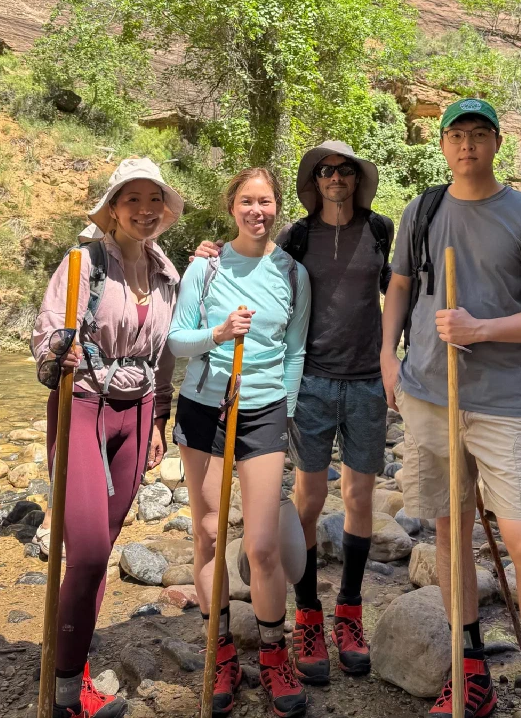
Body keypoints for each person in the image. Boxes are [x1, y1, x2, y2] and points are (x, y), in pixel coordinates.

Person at [381, 98, 521, 718]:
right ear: (442, 144)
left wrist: (482, 329)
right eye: (455, 134)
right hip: (427, 395)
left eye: (478, 134)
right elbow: (400, 287)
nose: (466, 144)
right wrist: (387, 356)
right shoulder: (422, 210)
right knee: (450, 534)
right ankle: (470, 674)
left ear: (497, 143)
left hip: (501, 402)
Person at [196, 141, 393, 684]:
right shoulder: (297, 237)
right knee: (307, 497)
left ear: (357, 180)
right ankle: (307, 614)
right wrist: (209, 258)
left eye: (346, 170)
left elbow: (394, 296)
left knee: (358, 495)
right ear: (315, 181)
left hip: (367, 382)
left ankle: (349, 611)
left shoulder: (380, 230)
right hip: (310, 383)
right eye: (326, 170)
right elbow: (257, 266)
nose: (336, 178)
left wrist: (397, 360)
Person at [32, 158, 184, 718]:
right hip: (83, 406)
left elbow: (164, 354)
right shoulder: (83, 263)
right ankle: (68, 694)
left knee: (99, 554)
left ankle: (66, 655)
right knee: (91, 552)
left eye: (154, 201)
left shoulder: (167, 271)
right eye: (132, 200)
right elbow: (48, 331)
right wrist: (57, 350)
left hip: (138, 412)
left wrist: (159, 421)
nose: (144, 211)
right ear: (114, 208)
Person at [167, 168, 311, 718]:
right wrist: (219, 335)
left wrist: (286, 408)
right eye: (247, 201)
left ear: (277, 207)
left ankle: (275, 654)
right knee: (206, 533)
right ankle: (221, 649)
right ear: (232, 207)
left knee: (262, 545)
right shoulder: (203, 268)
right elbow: (177, 341)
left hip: (264, 411)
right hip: (206, 407)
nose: (258, 210)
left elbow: (295, 349)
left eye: (266, 201)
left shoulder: (293, 274)